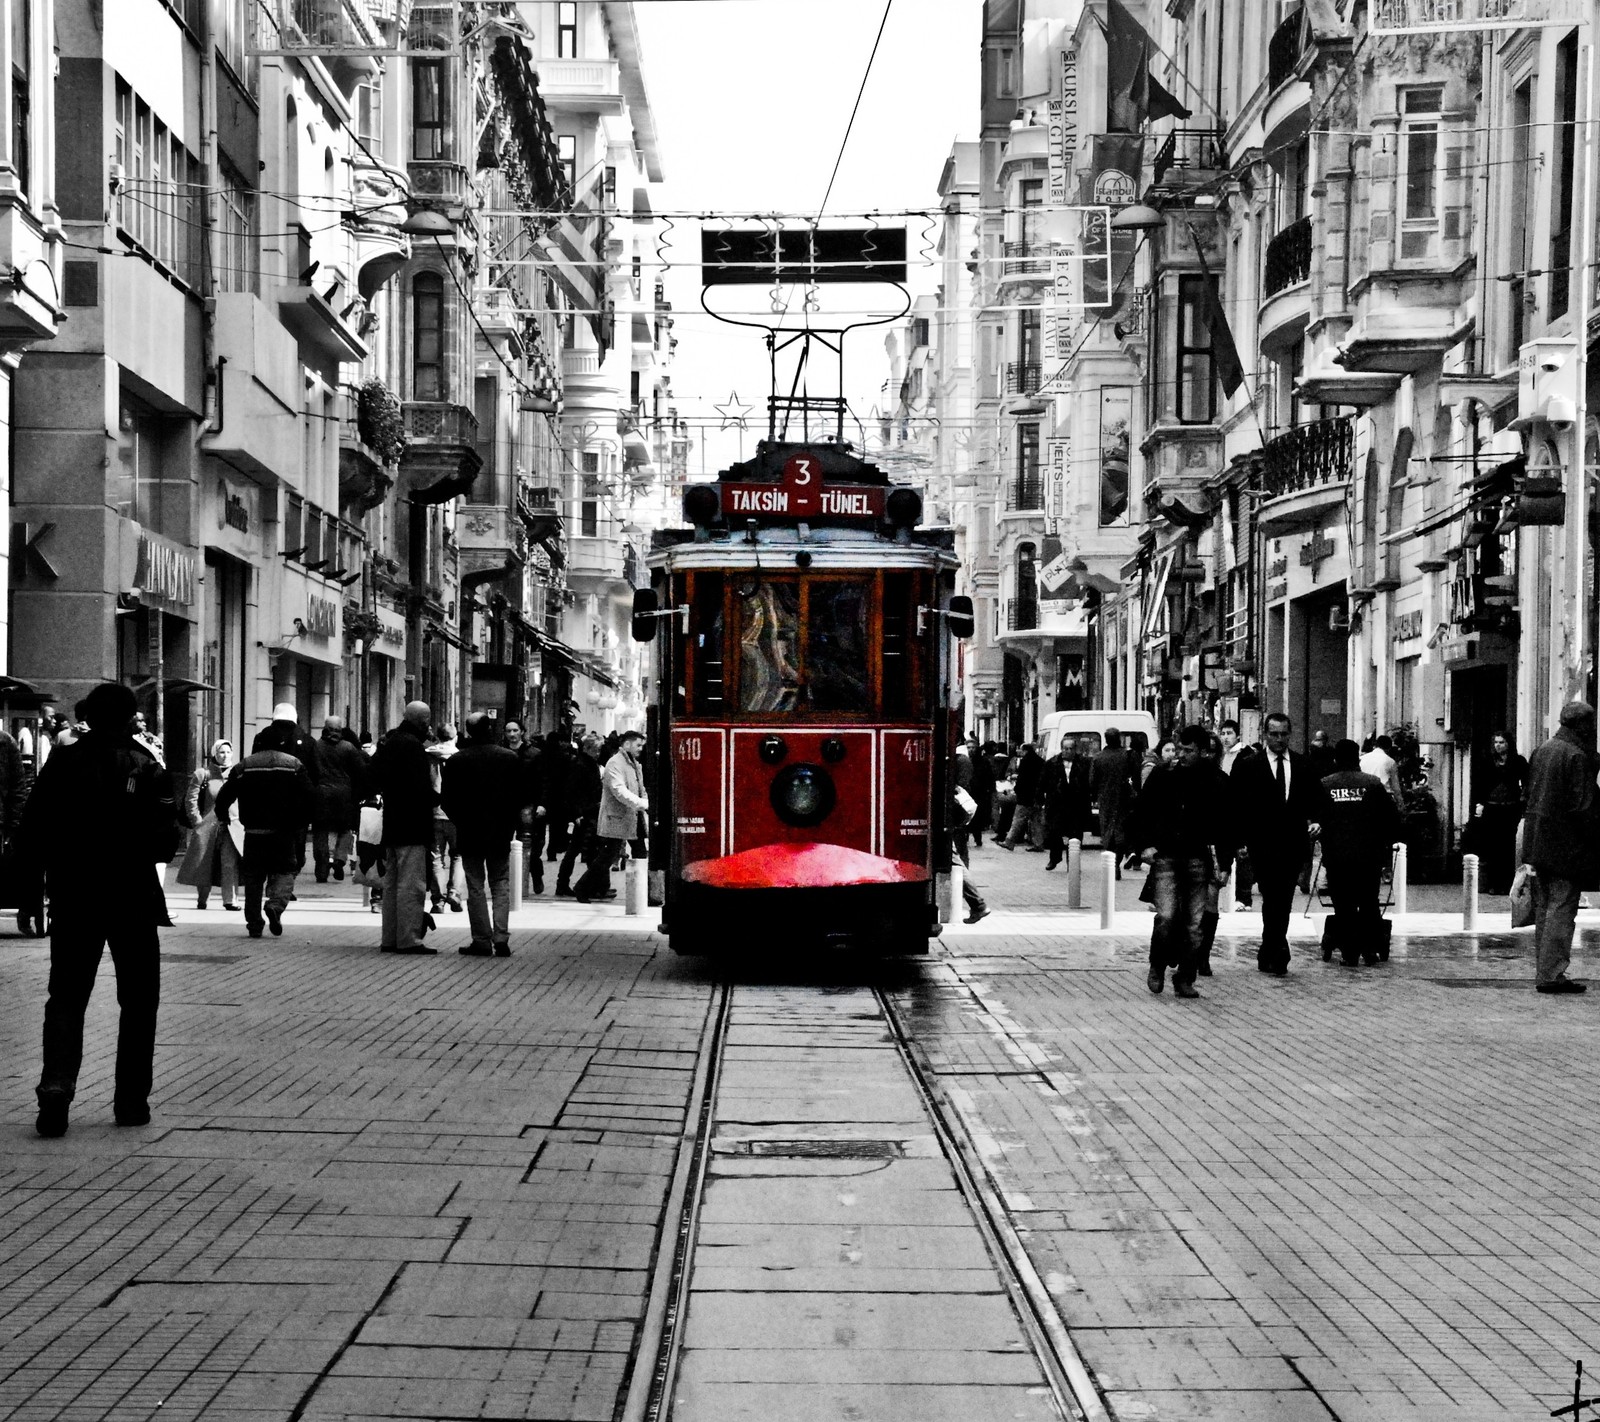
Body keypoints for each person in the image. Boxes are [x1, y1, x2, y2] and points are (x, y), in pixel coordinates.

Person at [23, 683, 180, 1136]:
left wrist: (39, 890)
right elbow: (166, 841)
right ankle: (131, 1101)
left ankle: (56, 1087)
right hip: (132, 895)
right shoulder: (148, 767)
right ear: (132, 717)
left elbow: (33, 831)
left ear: (90, 715)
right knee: (138, 1000)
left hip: (75, 895)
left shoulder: (63, 762)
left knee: (67, 997)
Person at [1126, 725, 1235, 998]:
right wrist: (1144, 846)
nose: (1182, 755)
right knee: (1166, 916)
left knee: (1195, 923)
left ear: (1202, 751)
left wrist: (1225, 862)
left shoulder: (1217, 781)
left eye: (1188, 750)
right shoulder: (1165, 774)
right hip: (1167, 854)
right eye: (1180, 749)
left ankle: (1186, 976)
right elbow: (1142, 811)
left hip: (1199, 857)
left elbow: (1227, 825)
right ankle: (1157, 965)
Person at [1230, 712, 1329, 975]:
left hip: (1293, 843)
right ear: (1264, 734)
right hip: (1261, 844)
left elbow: (1318, 800)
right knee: (1271, 894)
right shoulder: (1249, 765)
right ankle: (1275, 947)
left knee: (1283, 898)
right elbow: (1236, 807)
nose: (1279, 739)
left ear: (1290, 734)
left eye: (1284, 733)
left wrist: (1316, 821)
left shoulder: (1303, 765)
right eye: (1274, 734)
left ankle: (1272, 947)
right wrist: (1239, 841)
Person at [1520, 701, 1597, 994]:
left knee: (1545, 908)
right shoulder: (1575, 755)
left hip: (1538, 840)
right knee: (1561, 908)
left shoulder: (1544, 750)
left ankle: (1546, 969)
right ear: (1581, 725)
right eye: (1590, 724)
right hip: (1565, 845)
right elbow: (1583, 808)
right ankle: (1552, 974)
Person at [213, 728, 314, 939]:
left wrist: (222, 815)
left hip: (253, 832)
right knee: (285, 871)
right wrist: (301, 822)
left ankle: (254, 923)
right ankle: (275, 906)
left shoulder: (244, 766)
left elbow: (225, 796)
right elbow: (308, 796)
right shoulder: (294, 765)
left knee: (253, 878)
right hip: (283, 832)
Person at [441, 713, 527, 957]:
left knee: (475, 885)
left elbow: (447, 800)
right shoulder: (509, 758)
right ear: (490, 729)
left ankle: (481, 939)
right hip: (500, 831)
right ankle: (501, 938)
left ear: (468, 731)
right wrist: (510, 822)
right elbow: (519, 796)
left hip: (470, 831)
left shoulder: (458, 761)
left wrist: (462, 821)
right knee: (500, 883)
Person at [1319, 739, 1402, 964]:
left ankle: (1349, 953)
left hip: (1337, 857)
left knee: (1343, 904)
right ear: (1357, 758)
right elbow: (1391, 818)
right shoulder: (1373, 784)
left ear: (1336, 759)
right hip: (1368, 856)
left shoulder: (1326, 785)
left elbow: (1318, 820)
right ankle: (1370, 949)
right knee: (1368, 902)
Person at [374, 702, 439, 954]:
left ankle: (390, 937)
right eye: (427, 720)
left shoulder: (391, 742)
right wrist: (437, 799)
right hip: (412, 824)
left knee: (391, 886)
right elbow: (420, 789)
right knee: (411, 885)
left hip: (392, 823)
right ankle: (410, 939)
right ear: (423, 721)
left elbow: (374, 775)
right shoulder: (413, 747)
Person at [577, 729, 650, 903]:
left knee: (640, 853)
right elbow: (619, 790)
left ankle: (645, 894)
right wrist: (642, 803)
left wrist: (644, 801)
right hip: (617, 818)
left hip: (632, 817)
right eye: (638, 745)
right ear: (626, 744)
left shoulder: (634, 763)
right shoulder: (615, 763)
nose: (641, 748)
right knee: (606, 857)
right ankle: (583, 888)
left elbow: (640, 787)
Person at [177, 740, 243, 911]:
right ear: (214, 753)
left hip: (231, 825)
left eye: (228, 752)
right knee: (204, 864)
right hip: (208, 826)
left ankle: (230, 900)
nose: (225, 756)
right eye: (221, 752)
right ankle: (202, 899)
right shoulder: (203, 774)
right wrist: (197, 822)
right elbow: (190, 800)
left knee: (230, 863)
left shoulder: (238, 774)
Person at [312, 716, 369, 883]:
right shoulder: (348, 748)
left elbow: (310, 771)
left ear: (325, 728)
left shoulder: (316, 746)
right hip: (344, 794)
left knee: (321, 831)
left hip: (321, 794)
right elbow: (361, 772)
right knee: (345, 830)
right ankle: (340, 859)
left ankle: (322, 869)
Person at [1472, 732, 1528, 896]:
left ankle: (1507, 883)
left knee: (1508, 845)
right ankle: (1493, 883)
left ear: (1509, 744)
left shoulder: (1518, 762)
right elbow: (1480, 784)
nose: (1498, 745)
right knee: (1492, 845)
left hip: (1511, 808)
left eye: (1502, 742)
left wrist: (1523, 800)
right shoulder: (1488, 762)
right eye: (1496, 742)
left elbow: (1526, 782)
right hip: (1492, 807)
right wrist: (1479, 804)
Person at [503, 720, 547, 896]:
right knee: (505, 843)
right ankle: (511, 882)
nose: (512, 734)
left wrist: (542, 803)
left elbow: (543, 780)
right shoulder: (501, 752)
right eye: (508, 731)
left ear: (522, 732)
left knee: (528, 844)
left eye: (515, 730)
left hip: (527, 802)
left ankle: (528, 881)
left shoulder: (534, 754)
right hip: (506, 803)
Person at [426, 722, 464, 914]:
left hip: (433, 812)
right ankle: (454, 892)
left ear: (437, 737)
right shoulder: (461, 758)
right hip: (456, 814)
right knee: (458, 855)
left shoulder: (427, 757)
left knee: (436, 857)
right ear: (455, 737)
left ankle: (438, 900)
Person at [563, 733, 606, 900]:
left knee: (580, 849)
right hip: (585, 812)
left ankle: (592, 885)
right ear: (588, 749)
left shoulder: (587, 763)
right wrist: (577, 813)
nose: (598, 752)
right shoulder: (581, 765)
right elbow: (572, 790)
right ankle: (589, 885)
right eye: (596, 749)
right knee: (582, 849)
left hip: (588, 811)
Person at [1090, 729, 1137, 878]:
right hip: (1126, 800)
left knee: (1108, 833)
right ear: (1119, 739)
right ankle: (1117, 862)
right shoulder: (1129, 756)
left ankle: (1113, 864)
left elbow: (1092, 782)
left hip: (1105, 800)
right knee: (1123, 833)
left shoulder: (1098, 758)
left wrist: (1096, 795)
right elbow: (1137, 778)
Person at [1040, 735, 1092, 870]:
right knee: (1054, 833)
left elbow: (1089, 783)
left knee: (1075, 837)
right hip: (1057, 805)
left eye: (1070, 749)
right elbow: (1042, 783)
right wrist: (1040, 798)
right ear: (1061, 749)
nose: (1067, 751)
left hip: (1076, 805)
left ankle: (1073, 863)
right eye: (1065, 748)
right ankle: (1055, 857)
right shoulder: (1051, 763)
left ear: (1075, 750)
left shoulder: (1084, 763)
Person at [951, 740, 989, 923]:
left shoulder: (960, 761)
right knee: (955, 858)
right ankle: (977, 904)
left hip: (952, 817)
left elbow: (962, 787)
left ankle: (977, 904)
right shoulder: (957, 759)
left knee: (955, 859)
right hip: (953, 817)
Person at [1001, 742, 1047, 851]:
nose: (1020, 753)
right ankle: (1039, 844)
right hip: (1037, 797)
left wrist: (1017, 790)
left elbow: (1022, 779)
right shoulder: (1041, 761)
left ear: (1025, 750)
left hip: (1025, 796)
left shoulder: (1025, 761)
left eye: (1021, 750)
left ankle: (1009, 841)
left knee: (1018, 819)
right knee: (1036, 821)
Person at [1360, 734, 1405, 810]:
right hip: (1383, 798)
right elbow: (1395, 786)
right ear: (1388, 748)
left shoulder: (1362, 759)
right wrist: (1400, 803)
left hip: (1364, 797)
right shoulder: (1390, 761)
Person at [969, 737, 997, 848]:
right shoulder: (964, 760)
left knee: (977, 817)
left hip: (979, 794)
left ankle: (978, 839)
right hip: (968, 792)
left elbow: (989, 777)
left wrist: (989, 791)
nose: (971, 750)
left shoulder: (983, 762)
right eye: (969, 747)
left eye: (973, 747)